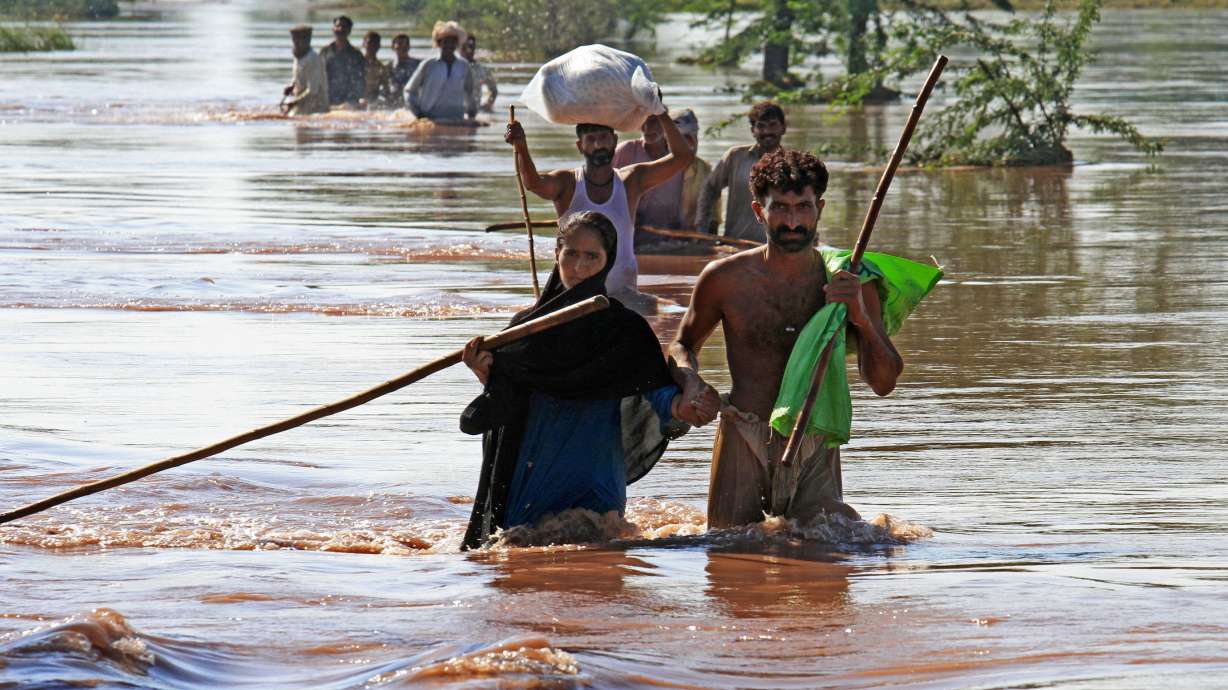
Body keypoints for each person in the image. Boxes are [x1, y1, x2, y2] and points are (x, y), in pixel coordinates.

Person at [669, 148, 904, 528]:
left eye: (803, 208)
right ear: (758, 211)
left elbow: (884, 383)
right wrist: (691, 382)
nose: (792, 221)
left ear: (819, 209)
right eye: (779, 208)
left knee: (831, 546)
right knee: (729, 548)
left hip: (815, 433)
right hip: (743, 430)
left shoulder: (850, 281)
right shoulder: (724, 279)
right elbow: (682, 345)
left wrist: (860, 317)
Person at [458, 211, 718, 549]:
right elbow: (507, 401)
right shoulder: (524, 328)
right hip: (532, 475)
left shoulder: (625, 330)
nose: (579, 267)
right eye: (571, 254)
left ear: (608, 261)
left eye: (592, 256)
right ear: (557, 253)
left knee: (598, 559)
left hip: (594, 477)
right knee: (516, 556)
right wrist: (485, 373)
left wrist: (685, 406)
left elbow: (657, 393)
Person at [504, 111, 695, 295]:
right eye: (591, 139)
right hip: (574, 294)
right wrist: (522, 147)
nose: (598, 145)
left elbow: (683, 157)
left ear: (615, 141)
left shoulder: (631, 181)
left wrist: (659, 112)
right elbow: (534, 183)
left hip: (623, 295)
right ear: (580, 146)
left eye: (604, 138)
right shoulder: (568, 183)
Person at [695, 101, 788, 242]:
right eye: (761, 126)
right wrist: (703, 227)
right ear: (753, 131)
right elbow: (710, 188)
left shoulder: (792, 164)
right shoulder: (735, 157)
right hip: (735, 244)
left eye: (772, 125)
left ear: (783, 128)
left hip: (776, 247)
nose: (767, 131)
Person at [404, 21, 475, 122]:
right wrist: (418, 114)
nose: (449, 45)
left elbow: (469, 92)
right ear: (439, 43)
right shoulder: (428, 64)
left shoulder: (463, 65)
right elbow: (409, 91)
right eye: (445, 42)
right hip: (430, 119)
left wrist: (472, 115)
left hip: (456, 119)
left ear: (457, 44)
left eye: (452, 42)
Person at [673, 109, 721, 232]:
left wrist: (708, 239)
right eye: (684, 138)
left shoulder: (706, 170)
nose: (691, 143)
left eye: (694, 137)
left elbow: (714, 219)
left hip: (695, 237)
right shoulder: (657, 168)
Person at [282, 25, 329, 116]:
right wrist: (291, 86)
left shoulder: (313, 59)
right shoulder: (298, 56)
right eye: (294, 38)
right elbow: (297, 78)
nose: (296, 42)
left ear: (308, 40)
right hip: (301, 106)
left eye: (300, 38)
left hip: (317, 110)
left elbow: (313, 91)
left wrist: (294, 102)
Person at [319, 15, 365, 108]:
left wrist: (358, 99)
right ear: (333, 29)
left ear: (349, 31)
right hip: (328, 99)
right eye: (338, 26)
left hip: (349, 101)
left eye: (344, 27)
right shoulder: (325, 52)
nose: (340, 29)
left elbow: (360, 80)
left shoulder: (356, 54)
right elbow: (318, 75)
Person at [460, 32, 497, 113]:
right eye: (465, 48)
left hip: (475, 112)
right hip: (455, 111)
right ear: (459, 48)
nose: (468, 51)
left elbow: (493, 90)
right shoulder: (452, 67)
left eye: (471, 47)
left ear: (474, 49)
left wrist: (488, 104)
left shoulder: (483, 70)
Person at [361, 31, 393, 109]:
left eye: (375, 44)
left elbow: (387, 90)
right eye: (369, 43)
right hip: (356, 99)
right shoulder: (356, 63)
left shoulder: (382, 68)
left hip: (372, 101)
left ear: (379, 46)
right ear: (364, 44)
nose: (372, 46)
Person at [388, 33, 419, 108]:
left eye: (406, 44)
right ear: (393, 47)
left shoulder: (418, 65)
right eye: (400, 44)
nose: (403, 46)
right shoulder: (388, 67)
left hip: (413, 101)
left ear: (409, 47)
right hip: (395, 103)